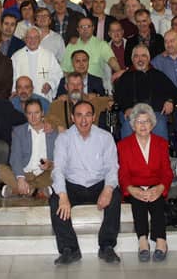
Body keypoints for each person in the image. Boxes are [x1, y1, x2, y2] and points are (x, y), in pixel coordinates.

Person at [50, 100, 122, 265]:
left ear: (94, 117)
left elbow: (112, 168)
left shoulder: (105, 137)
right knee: (55, 200)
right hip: (73, 184)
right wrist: (63, 196)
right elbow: (58, 169)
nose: (84, 120)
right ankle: (70, 249)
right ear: (72, 118)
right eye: (79, 115)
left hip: (98, 184)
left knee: (115, 195)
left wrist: (108, 189)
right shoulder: (64, 138)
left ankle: (107, 246)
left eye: (88, 115)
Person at [117, 103, 172, 262]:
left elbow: (167, 172)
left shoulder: (161, 143)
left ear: (152, 124)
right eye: (139, 122)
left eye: (146, 121)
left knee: (157, 201)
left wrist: (161, 187)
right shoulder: (123, 145)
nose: (143, 125)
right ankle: (142, 240)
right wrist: (130, 189)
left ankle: (161, 240)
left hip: (156, 185)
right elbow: (123, 173)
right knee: (138, 201)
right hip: (134, 186)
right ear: (133, 125)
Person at [114, 45, 177, 141]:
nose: (140, 59)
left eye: (143, 56)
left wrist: (170, 101)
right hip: (132, 113)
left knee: (160, 125)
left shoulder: (158, 75)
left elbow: (176, 93)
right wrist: (126, 108)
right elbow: (118, 96)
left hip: (155, 113)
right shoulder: (125, 77)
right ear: (132, 59)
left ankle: (159, 151)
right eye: (136, 56)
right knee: (128, 126)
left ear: (148, 59)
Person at [0, 98, 57, 198]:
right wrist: (20, 178)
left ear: (42, 113)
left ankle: (16, 190)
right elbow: (15, 157)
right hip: (24, 172)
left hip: (44, 174)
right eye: (30, 113)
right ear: (25, 114)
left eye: (36, 113)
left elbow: (60, 159)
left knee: (57, 173)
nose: (33, 117)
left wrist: (50, 164)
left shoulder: (53, 132)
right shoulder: (18, 131)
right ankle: (35, 191)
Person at [151, 29, 177, 155]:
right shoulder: (157, 62)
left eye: (172, 41)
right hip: (173, 108)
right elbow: (154, 86)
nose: (169, 44)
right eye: (166, 41)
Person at [61, 17, 122, 83]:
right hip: (75, 84)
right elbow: (64, 70)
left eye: (88, 26)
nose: (85, 29)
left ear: (93, 28)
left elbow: (112, 60)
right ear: (78, 29)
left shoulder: (101, 44)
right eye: (82, 27)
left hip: (95, 84)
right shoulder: (71, 46)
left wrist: (119, 72)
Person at [11, 27, 63, 101]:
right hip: (23, 96)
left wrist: (50, 84)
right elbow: (13, 76)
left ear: (40, 39)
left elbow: (57, 73)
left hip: (43, 95)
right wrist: (14, 90)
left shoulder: (48, 55)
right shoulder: (17, 56)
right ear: (25, 39)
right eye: (30, 37)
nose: (33, 40)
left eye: (36, 37)